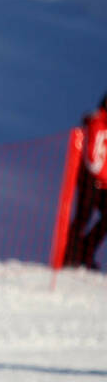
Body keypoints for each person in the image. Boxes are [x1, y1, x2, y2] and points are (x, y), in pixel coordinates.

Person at [64, 93, 107, 269]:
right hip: (90, 179)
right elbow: (93, 158)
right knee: (83, 216)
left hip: (103, 182)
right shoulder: (97, 123)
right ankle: (70, 256)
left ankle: (84, 253)